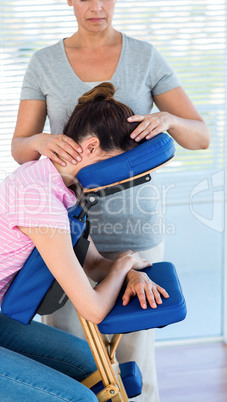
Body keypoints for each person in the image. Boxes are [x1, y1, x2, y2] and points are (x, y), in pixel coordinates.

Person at [11, 1, 210, 401]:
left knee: (133, 357)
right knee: (72, 354)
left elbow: (200, 137)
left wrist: (168, 121)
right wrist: (38, 142)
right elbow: (21, 149)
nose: (97, 6)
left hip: (135, 228)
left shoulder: (144, 57)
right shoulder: (44, 62)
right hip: (65, 231)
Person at [0, 83, 169, 402]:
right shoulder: (39, 201)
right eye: (119, 165)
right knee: (79, 398)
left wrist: (132, 273)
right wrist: (126, 261)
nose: (121, 179)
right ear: (91, 147)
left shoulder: (55, 185)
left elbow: (96, 263)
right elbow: (94, 308)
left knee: (96, 368)